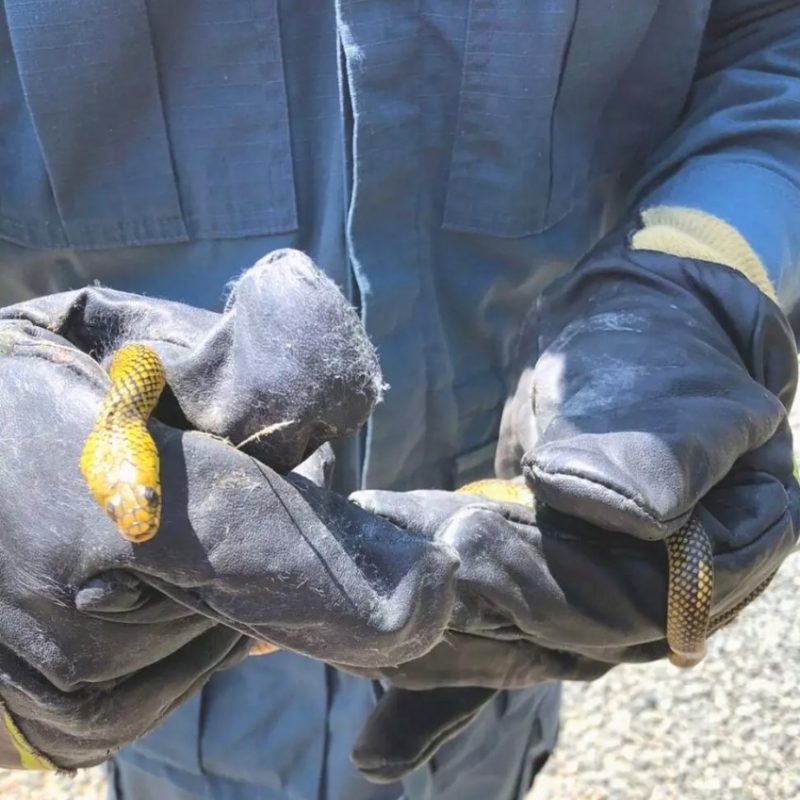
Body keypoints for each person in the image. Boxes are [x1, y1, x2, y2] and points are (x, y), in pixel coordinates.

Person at [0, 2, 798, 799]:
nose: (134, 505)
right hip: (158, 702)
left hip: (511, 607)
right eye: (129, 495)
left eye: (134, 492)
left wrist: (700, 280)